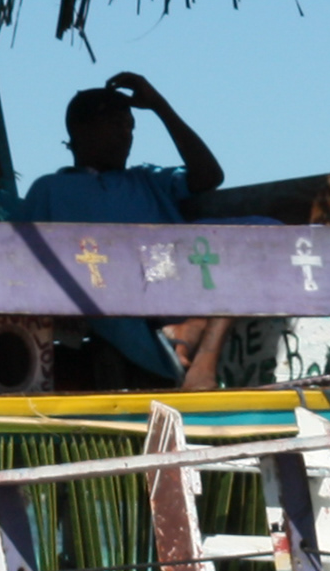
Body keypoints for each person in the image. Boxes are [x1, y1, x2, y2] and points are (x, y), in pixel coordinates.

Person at [19, 72, 233, 390]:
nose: (126, 134)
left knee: (243, 242)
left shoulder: (148, 179)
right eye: (116, 124)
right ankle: (185, 345)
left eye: (130, 126)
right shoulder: (50, 190)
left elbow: (209, 176)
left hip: (174, 283)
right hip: (105, 301)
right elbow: (27, 263)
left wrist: (160, 106)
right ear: (81, 130)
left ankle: (201, 357)